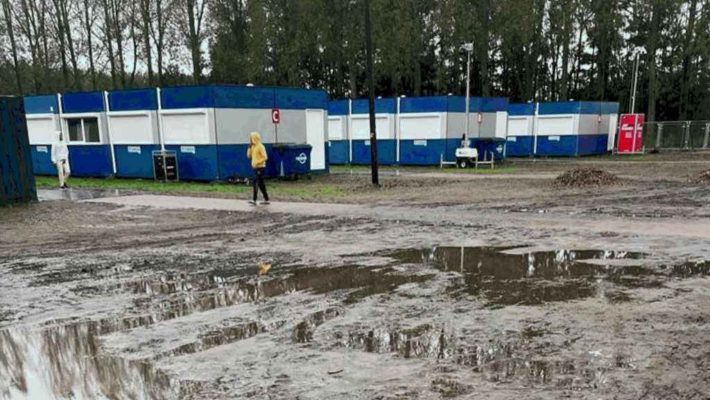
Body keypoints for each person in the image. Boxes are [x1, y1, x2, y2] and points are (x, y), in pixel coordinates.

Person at [246, 131, 269, 205]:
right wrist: (249, 148)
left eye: (251, 138)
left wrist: (257, 162)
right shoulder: (253, 146)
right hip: (255, 168)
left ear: (255, 138)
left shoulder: (260, 146)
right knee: (261, 184)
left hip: (260, 168)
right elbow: (249, 156)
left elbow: (265, 157)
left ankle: (254, 200)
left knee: (255, 182)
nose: (250, 140)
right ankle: (266, 199)